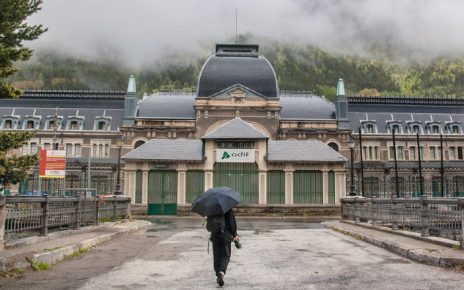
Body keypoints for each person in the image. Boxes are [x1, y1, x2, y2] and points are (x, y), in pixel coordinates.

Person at [210, 209, 239, 287]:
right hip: (225, 236)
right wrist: (234, 234)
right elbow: (232, 224)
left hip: (215, 236)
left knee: (216, 256)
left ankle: (217, 275)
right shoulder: (228, 209)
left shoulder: (212, 208)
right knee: (226, 255)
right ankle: (221, 272)